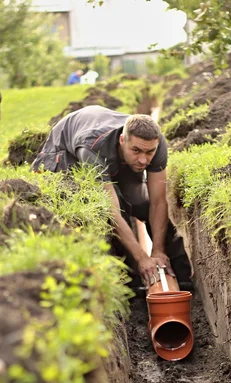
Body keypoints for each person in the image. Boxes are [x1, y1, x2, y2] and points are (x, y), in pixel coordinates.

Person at [30, 105, 192, 288]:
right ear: (123, 140)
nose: (143, 160)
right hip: (68, 153)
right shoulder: (91, 148)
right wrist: (141, 257)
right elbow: (111, 209)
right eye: (137, 151)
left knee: (142, 204)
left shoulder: (155, 142)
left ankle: (181, 277)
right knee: (119, 209)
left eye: (149, 153)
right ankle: (132, 283)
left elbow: (158, 201)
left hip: (114, 157)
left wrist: (158, 250)